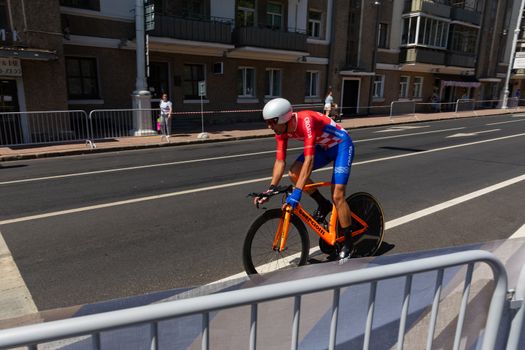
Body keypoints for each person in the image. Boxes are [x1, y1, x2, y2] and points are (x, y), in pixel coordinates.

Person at [254, 98, 356, 259]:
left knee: (337, 195)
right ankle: (323, 204)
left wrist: (298, 193)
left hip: (341, 145)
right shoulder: (281, 131)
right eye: (267, 122)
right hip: (323, 147)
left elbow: (309, 161)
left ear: (283, 118)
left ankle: (349, 242)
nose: (269, 126)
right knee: (294, 173)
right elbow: (280, 161)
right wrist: (271, 188)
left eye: (272, 122)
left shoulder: (306, 121)